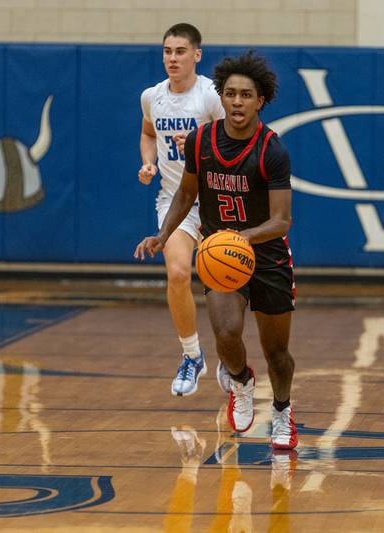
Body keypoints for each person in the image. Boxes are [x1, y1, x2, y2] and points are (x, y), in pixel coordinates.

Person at [135, 50, 297, 450]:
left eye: (246, 95)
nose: (237, 102)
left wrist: (242, 237)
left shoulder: (272, 150)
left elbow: (281, 221)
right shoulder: (201, 141)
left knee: (277, 353)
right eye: (231, 94)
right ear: (220, 97)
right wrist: (163, 234)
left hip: (268, 256)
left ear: (260, 101)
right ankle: (241, 383)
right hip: (222, 257)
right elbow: (185, 193)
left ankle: (282, 410)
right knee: (226, 335)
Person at [138, 23, 225, 397]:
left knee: (224, 284)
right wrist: (148, 162)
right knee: (177, 273)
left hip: (218, 202)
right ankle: (192, 356)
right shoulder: (151, 97)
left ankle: (230, 358)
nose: (172, 58)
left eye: (180, 51)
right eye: (167, 51)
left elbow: (232, 143)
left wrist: (198, 142)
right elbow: (148, 133)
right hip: (176, 201)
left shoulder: (211, 96)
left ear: (197, 55)